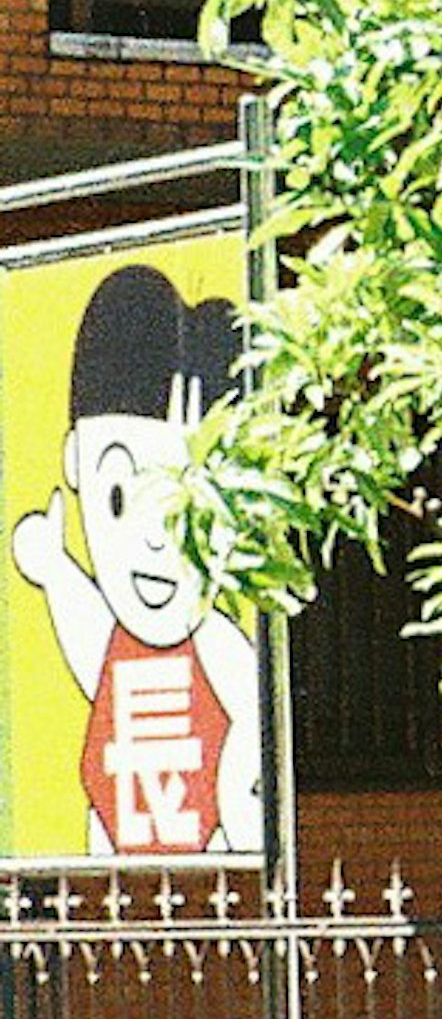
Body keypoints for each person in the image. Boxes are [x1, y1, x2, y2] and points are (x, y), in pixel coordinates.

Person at [11, 264, 261, 858]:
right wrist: (54, 572)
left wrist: (242, 792)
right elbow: (87, 639)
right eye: (121, 497)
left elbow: (254, 713)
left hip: (211, 834)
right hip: (112, 828)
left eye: (187, 506)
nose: (154, 540)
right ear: (74, 463)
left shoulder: (218, 644)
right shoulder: (116, 642)